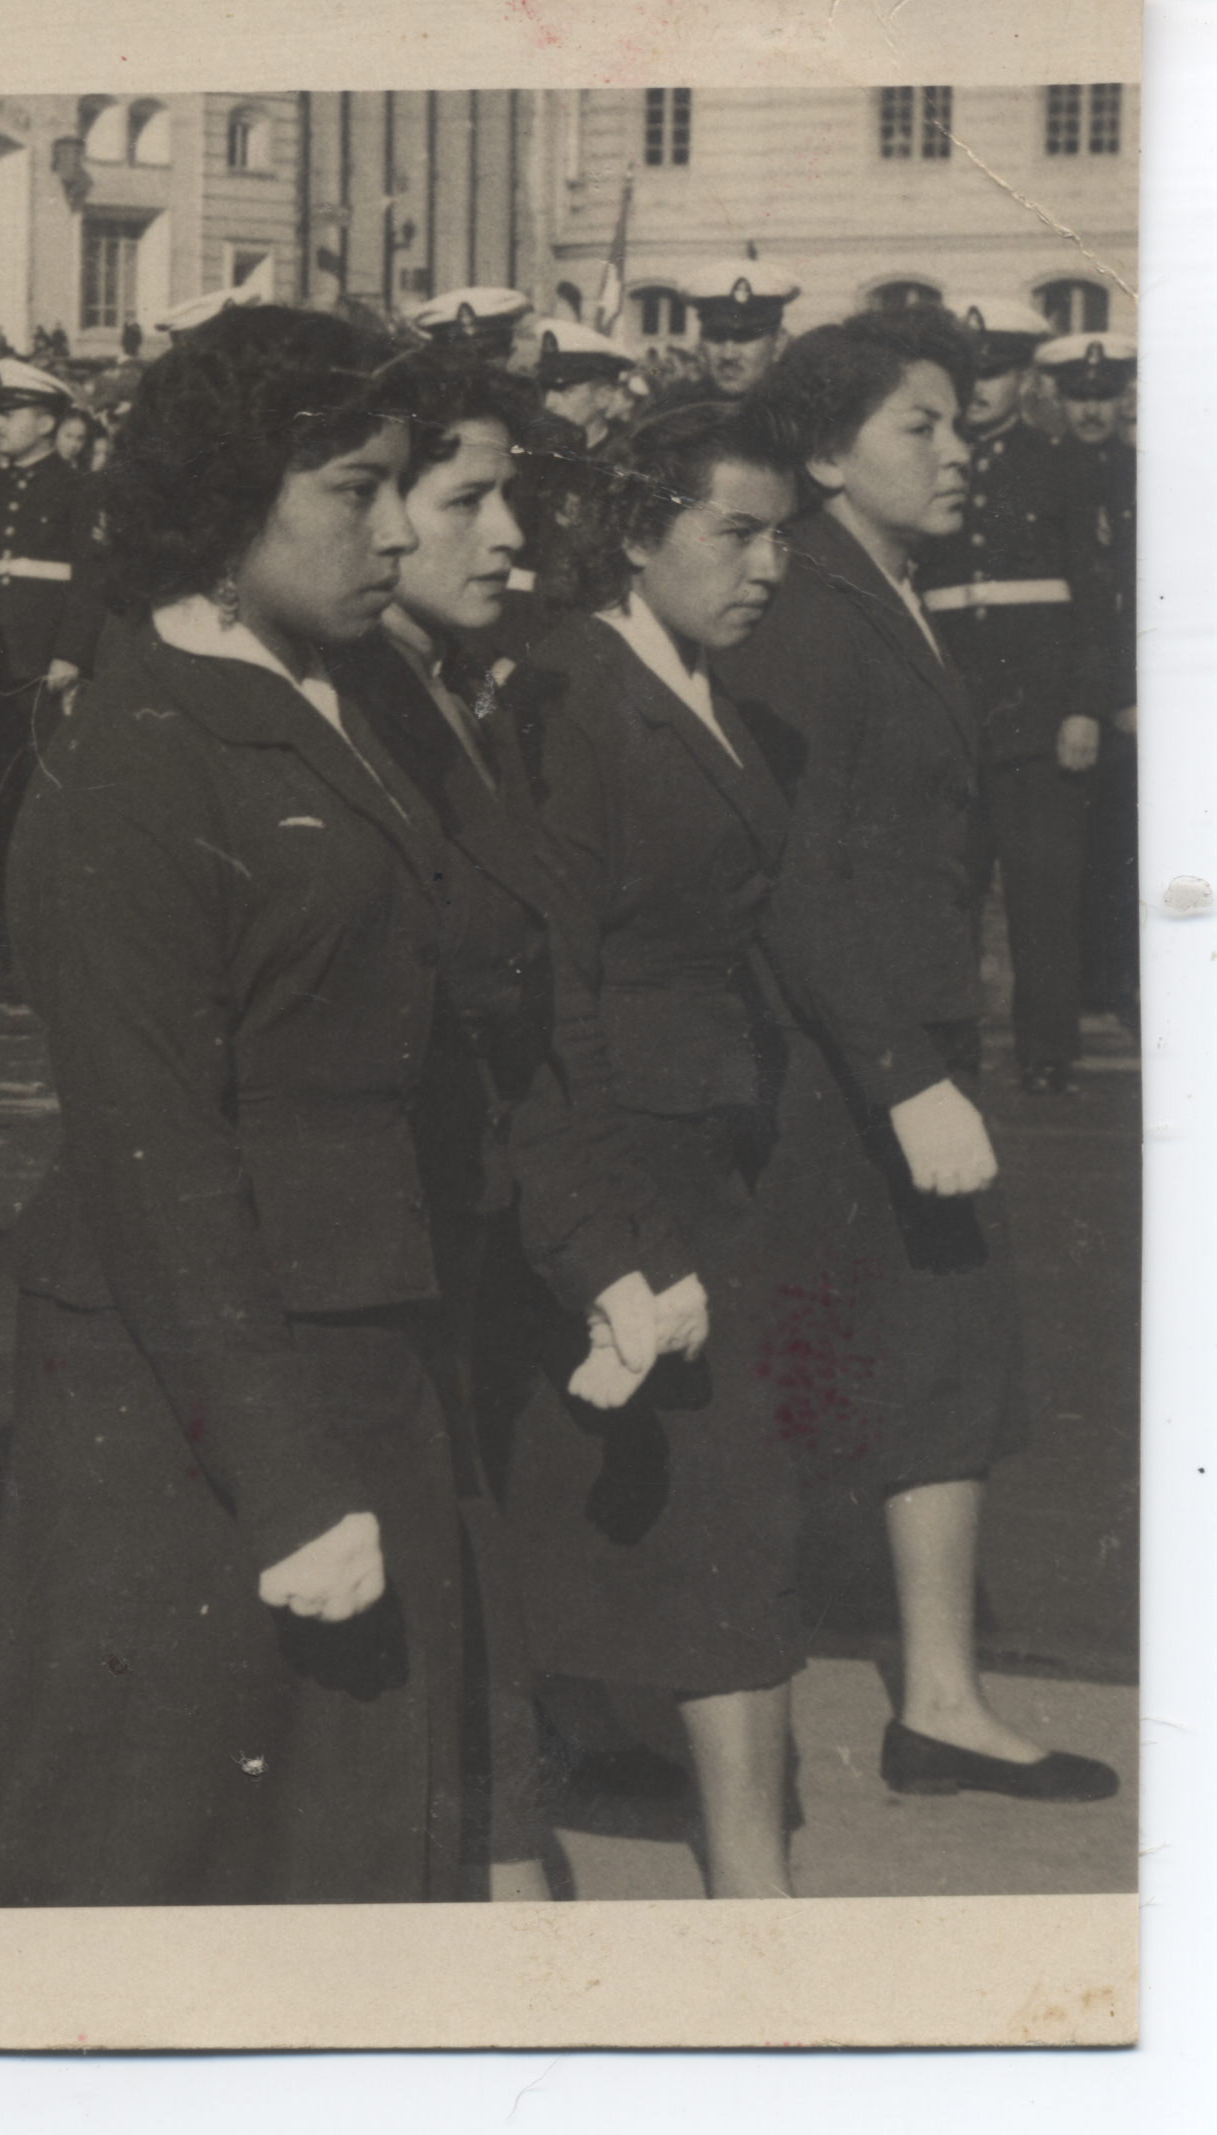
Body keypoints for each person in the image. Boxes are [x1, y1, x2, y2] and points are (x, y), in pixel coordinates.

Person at [0, 305, 475, 1907]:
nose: (392, 530)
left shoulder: (339, 699)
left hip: (346, 1338)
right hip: (189, 1408)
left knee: (325, 1864)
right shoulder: (141, 752)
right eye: (351, 490)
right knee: (127, 1867)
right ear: (231, 499)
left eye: (400, 489)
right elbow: (155, 1146)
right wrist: (287, 1473)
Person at [723, 310, 1116, 1803]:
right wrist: (900, 1071)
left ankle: (937, 1700)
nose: (958, 452)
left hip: (900, 1042)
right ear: (824, 453)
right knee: (799, 1365)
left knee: (945, 1352)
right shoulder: (808, 603)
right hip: (839, 1062)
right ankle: (718, 1706)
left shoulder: (874, 585)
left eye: (959, 425)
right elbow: (796, 868)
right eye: (918, 428)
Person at [331, 351, 701, 1902]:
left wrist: (602, 1247)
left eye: (514, 499)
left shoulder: (455, 698)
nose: (511, 542)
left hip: (470, 1232)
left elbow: (536, 1013)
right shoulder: (350, 713)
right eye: (464, 498)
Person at [490, 398, 829, 1897]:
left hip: (705, 1137)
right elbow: (552, 977)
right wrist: (611, 1227)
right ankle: (749, 1889)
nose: (766, 565)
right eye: (733, 532)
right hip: (626, 1147)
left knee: (701, 1503)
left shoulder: (694, 684)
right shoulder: (571, 694)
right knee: (705, 1510)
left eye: (781, 536)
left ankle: (682, 1830)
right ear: (636, 531)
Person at [916, 300, 1109, 1097]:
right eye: (968, 372)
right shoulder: (931, 464)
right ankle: (951, 1050)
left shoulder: (1063, 464)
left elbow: (1097, 599)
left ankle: (1044, 1052)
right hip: (955, 716)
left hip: (1039, 719)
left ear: (1024, 374)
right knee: (946, 893)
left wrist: (1084, 706)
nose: (980, 387)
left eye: (994, 370)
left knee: (1041, 896)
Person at [0, 354, 107, 938]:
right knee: (0, 785)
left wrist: (70, 654)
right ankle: (5, 896)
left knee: (44, 784)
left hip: (46, 662)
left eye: (9, 412)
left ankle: (49, 899)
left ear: (47, 422)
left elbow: (90, 579)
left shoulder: (79, 489)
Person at [1046, 332, 1140, 1031]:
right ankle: (1079, 988)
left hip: (1134, 692)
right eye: (1078, 395)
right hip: (1066, 688)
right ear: (1056, 398)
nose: (1090, 410)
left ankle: (1126, 987)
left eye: (1102, 395)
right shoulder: (1042, 475)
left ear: (1124, 396)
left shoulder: (1144, 475)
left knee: (1127, 843)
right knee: (1067, 848)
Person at [683, 262, 801, 401]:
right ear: (701, 342)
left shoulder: (802, 418)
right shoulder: (675, 417)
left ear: (779, 343)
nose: (728, 355)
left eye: (744, 337)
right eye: (716, 337)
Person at [533, 324, 640, 454]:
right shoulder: (537, 455)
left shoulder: (623, 462)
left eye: (566, 391)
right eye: (546, 389)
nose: (549, 403)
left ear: (604, 397)